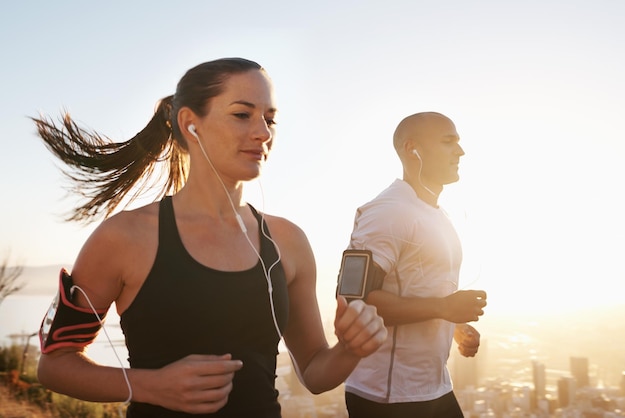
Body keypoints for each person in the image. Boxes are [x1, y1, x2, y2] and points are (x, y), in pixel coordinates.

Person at [33, 57, 387, 417]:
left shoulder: (289, 242)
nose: (263, 132)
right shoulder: (124, 237)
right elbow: (54, 365)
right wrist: (149, 385)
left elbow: (313, 371)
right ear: (190, 123)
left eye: (270, 118)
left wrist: (349, 350)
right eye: (242, 114)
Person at [342, 112, 487, 418]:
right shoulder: (388, 212)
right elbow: (355, 301)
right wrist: (442, 308)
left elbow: (423, 292)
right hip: (386, 397)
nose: (460, 152)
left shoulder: (439, 215)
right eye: (449, 143)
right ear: (412, 149)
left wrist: (454, 324)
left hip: (433, 388)